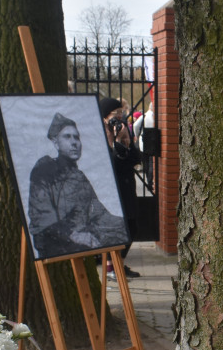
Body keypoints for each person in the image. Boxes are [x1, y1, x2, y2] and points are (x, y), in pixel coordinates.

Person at [27, 112, 128, 260]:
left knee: (123, 229)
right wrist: (74, 235)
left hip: (83, 236)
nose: (74, 142)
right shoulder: (45, 169)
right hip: (55, 241)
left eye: (76, 137)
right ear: (56, 143)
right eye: (67, 137)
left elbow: (98, 213)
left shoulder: (78, 176)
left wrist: (122, 226)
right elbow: (42, 219)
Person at [98, 97, 142, 277]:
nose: (119, 117)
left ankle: (118, 265)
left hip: (126, 188)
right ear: (104, 118)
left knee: (132, 228)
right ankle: (111, 267)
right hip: (111, 190)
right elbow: (111, 165)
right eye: (115, 114)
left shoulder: (122, 132)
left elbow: (135, 160)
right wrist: (114, 142)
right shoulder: (99, 137)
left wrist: (127, 141)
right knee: (116, 229)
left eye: (121, 113)